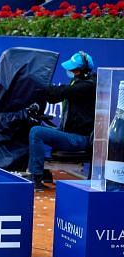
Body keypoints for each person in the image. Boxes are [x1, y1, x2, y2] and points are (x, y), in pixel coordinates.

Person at [26, 51, 97, 190]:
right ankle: (44, 172)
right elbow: (55, 96)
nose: (70, 71)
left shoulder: (87, 86)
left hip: (80, 139)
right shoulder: (78, 81)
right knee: (34, 126)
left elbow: (58, 94)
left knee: (37, 132)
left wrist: (38, 83)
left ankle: (36, 177)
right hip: (69, 132)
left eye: (74, 69)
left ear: (82, 71)